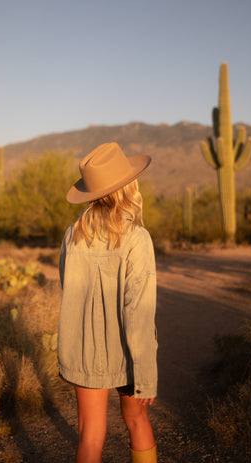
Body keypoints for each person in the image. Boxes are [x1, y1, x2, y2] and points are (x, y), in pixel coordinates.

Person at [57, 142, 158, 463]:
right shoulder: (137, 237)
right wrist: (146, 375)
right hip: (128, 354)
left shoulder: (72, 235)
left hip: (82, 350)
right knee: (137, 420)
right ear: (129, 186)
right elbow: (139, 312)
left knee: (90, 433)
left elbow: (69, 290)